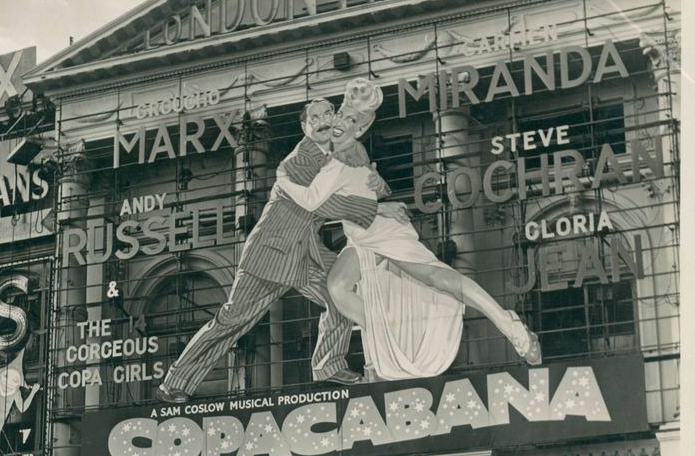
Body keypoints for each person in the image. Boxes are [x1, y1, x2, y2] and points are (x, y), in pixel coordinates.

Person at [274, 78, 542, 382]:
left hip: (382, 231)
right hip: (360, 235)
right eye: (341, 115)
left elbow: (313, 200)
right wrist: (376, 191)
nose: (339, 123)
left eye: (351, 120)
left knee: (436, 277)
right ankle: (379, 351)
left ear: (359, 129)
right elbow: (358, 192)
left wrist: (282, 181)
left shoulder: (341, 158)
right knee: (338, 287)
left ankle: (510, 325)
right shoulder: (342, 152)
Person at [159, 96, 403, 404]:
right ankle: (176, 381)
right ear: (305, 127)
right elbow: (325, 203)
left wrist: (378, 189)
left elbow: (366, 185)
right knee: (234, 318)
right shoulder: (297, 161)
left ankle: (330, 365)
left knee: (342, 291)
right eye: (315, 118)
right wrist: (377, 208)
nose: (324, 120)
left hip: (305, 252)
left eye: (329, 112)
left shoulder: (340, 155)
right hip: (270, 253)